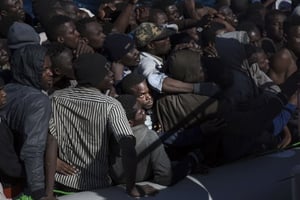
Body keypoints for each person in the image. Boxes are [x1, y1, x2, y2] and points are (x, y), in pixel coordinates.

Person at [45, 53, 157, 199]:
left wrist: (48, 193)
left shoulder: (55, 98)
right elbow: (127, 147)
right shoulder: (110, 105)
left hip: (60, 183)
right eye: (106, 72)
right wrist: (131, 188)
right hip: (97, 187)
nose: (111, 74)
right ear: (95, 77)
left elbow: (51, 141)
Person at [0, 44, 53, 200]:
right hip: (16, 183)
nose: (50, 73)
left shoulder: (7, 90)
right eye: (44, 70)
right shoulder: (38, 102)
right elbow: (33, 149)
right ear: (30, 71)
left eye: (50, 68)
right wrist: (39, 192)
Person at [111, 94, 172, 186]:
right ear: (130, 122)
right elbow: (164, 176)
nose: (144, 112)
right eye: (140, 112)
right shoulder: (150, 136)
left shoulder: (110, 135)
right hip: (142, 181)